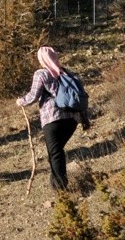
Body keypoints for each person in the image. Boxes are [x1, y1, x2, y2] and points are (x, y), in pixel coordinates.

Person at [17, 46, 92, 192]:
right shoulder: (66, 73)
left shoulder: (41, 73)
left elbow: (33, 96)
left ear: (42, 59)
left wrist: (21, 101)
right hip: (71, 120)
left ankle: (61, 189)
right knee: (56, 151)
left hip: (52, 119)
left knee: (55, 153)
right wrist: (84, 119)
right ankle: (56, 184)